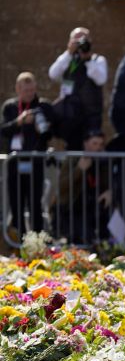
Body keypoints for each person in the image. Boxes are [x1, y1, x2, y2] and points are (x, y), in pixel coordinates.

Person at [1, 72, 54, 238]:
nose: (30, 93)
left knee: (35, 203)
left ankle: (37, 241)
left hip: (35, 161)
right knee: (16, 202)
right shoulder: (10, 107)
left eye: (32, 90)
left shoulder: (43, 106)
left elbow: (50, 133)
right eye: (26, 90)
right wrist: (19, 122)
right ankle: (18, 241)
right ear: (18, 89)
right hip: (15, 162)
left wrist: (42, 129)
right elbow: (4, 130)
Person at [48, 27, 108, 150]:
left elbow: (101, 79)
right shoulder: (67, 60)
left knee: (91, 150)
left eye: (84, 40)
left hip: (91, 116)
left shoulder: (97, 60)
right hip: (70, 117)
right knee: (72, 150)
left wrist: (87, 59)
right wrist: (69, 53)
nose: (80, 43)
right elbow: (53, 74)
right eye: (77, 40)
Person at [54, 129, 111, 244]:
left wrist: (110, 191)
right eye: (94, 143)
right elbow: (61, 186)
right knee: (83, 236)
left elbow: (109, 183)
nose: (98, 148)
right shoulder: (73, 159)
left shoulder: (104, 162)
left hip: (94, 208)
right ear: (86, 144)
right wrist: (79, 170)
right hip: (72, 208)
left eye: (101, 144)